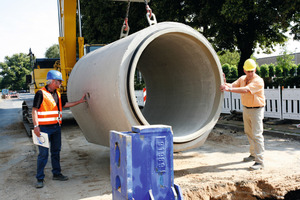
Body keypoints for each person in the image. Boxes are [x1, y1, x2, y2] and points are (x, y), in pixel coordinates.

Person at [32, 70, 86, 188]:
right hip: (43, 129)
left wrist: (80, 101)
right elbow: (34, 110)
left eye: (60, 81)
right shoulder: (41, 93)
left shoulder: (58, 94)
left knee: (56, 152)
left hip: (56, 128)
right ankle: (39, 178)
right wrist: (36, 126)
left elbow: (64, 105)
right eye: (59, 81)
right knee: (43, 154)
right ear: (51, 81)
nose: (61, 83)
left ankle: (56, 174)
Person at [220, 59, 265, 171]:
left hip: (256, 110)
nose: (250, 73)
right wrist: (224, 82)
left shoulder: (258, 81)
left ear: (255, 69)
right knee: (249, 132)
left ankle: (259, 161)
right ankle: (253, 154)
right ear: (244, 70)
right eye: (248, 71)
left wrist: (229, 89)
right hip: (246, 108)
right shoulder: (242, 79)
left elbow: (245, 90)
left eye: (252, 71)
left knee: (257, 135)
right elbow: (232, 85)